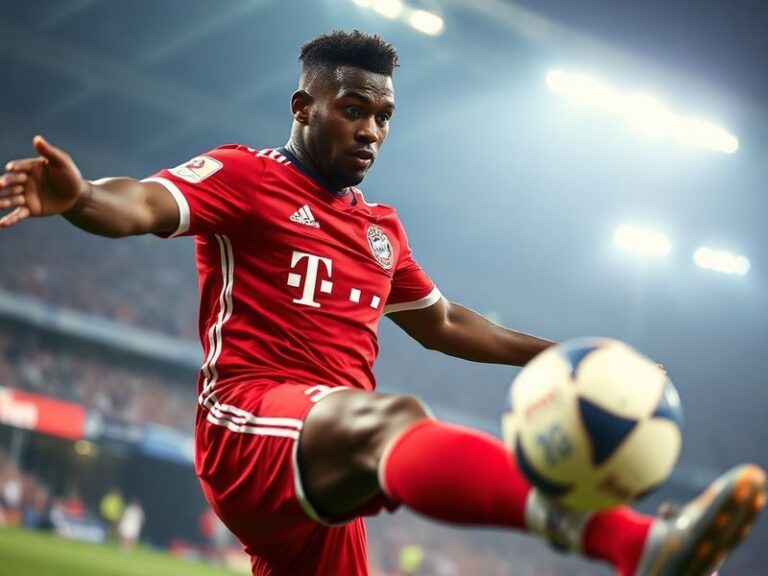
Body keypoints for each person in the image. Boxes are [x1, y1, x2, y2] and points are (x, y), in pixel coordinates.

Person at [0, 30, 764, 576]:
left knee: (376, 427)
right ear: (304, 105)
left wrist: (576, 356)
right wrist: (80, 200)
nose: (371, 130)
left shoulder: (379, 229)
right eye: (354, 109)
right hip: (249, 426)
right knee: (393, 420)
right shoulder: (245, 176)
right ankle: (628, 543)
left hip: (323, 474)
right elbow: (137, 204)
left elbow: (446, 323)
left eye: (384, 118)